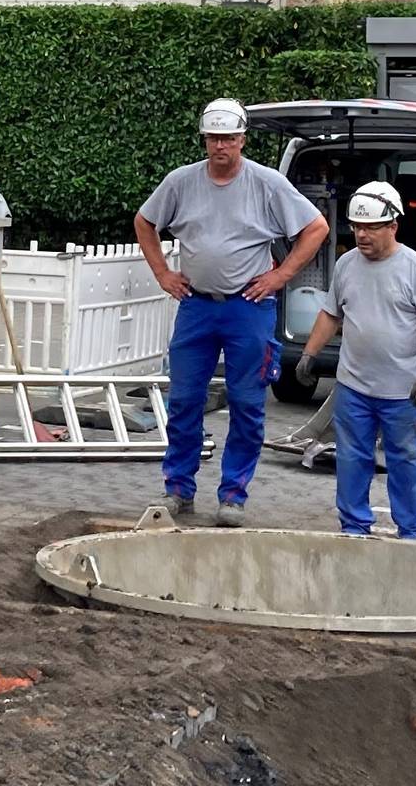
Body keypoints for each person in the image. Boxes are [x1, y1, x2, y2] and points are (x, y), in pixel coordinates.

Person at [134, 98, 331, 527]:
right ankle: (178, 488)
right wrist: (162, 273)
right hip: (197, 305)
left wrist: (281, 276)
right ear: (205, 139)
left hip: (249, 308)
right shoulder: (181, 182)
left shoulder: (267, 183)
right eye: (213, 138)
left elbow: (316, 228)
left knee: (246, 403)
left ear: (242, 139)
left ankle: (233, 495)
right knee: (184, 400)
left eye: (228, 138)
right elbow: (144, 222)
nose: (220, 146)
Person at [294, 181, 416, 539]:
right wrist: (309, 353)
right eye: (357, 227)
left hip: (403, 393)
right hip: (354, 388)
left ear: (393, 225)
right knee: (351, 459)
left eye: (371, 228)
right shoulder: (347, 265)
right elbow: (331, 313)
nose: (362, 235)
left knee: (406, 460)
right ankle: (354, 528)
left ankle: (413, 533)